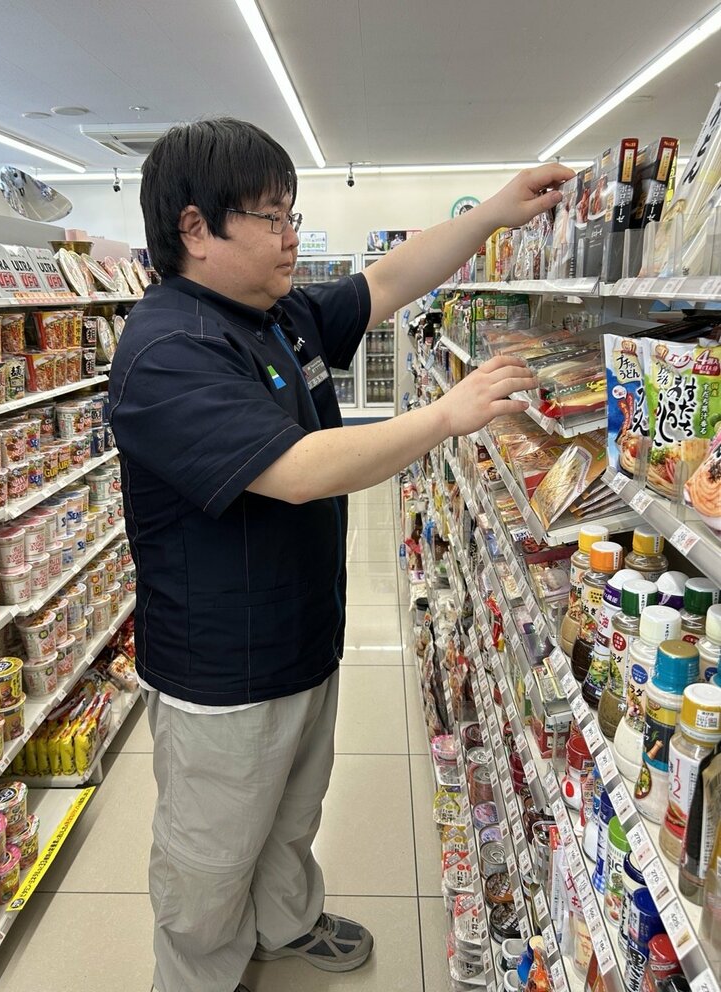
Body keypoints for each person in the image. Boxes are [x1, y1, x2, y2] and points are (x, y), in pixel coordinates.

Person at [108, 117, 573, 992]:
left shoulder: (274, 314)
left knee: (290, 815)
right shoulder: (167, 349)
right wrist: (444, 414)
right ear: (196, 230)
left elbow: (389, 278)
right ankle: (198, 975)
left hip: (302, 638)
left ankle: (284, 924)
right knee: (208, 859)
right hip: (221, 672)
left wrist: (496, 213)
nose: (291, 234)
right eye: (270, 216)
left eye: (292, 212)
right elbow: (294, 471)